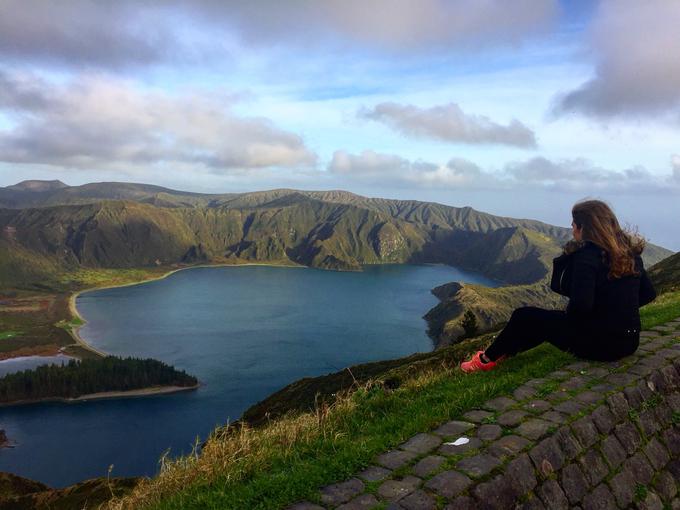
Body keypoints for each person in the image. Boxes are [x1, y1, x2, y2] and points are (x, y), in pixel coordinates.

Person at [460, 199, 657, 373]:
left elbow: (581, 307)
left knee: (524, 316)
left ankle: (485, 361)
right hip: (630, 342)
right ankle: (503, 353)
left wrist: (578, 320)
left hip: (600, 346)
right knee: (541, 322)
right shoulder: (628, 253)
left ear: (584, 228)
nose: (571, 229)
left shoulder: (587, 257)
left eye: (573, 225)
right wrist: (615, 313)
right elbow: (648, 294)